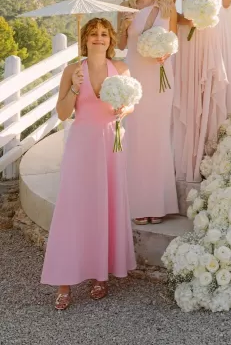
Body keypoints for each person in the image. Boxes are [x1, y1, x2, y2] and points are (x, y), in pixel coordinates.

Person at [41, 18, 136, 309]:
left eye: (104, 34)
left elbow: (132, 102)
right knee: (73, 209)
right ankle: (64, 282)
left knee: (104, 206)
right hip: (81, 146)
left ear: (111, 40)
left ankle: (100, 276)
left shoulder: (120, 69)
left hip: (111, 142)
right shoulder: (72, 70)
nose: (99, 38)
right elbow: (62, 113)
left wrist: (125, 109)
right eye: (93, 34)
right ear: (84, 39)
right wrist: (73, 88)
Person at [167, 0, 231, 187]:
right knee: (193, 93)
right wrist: (188, 20)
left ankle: (215, 156)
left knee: (216, 87)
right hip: (191, 39)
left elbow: (227, 2)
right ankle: (192, 157)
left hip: (217, 36)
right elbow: (168, 9)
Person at [118, 0, 178, 224]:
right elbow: (119, 45)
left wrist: (166, 54)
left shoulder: (167, 6)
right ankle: (137, 204)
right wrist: (125, 24)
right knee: (137, 136)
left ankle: (158, 204)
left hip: (161, 76)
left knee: (157, 137)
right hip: (136, 75)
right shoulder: (124, 7)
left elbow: (173, 41)